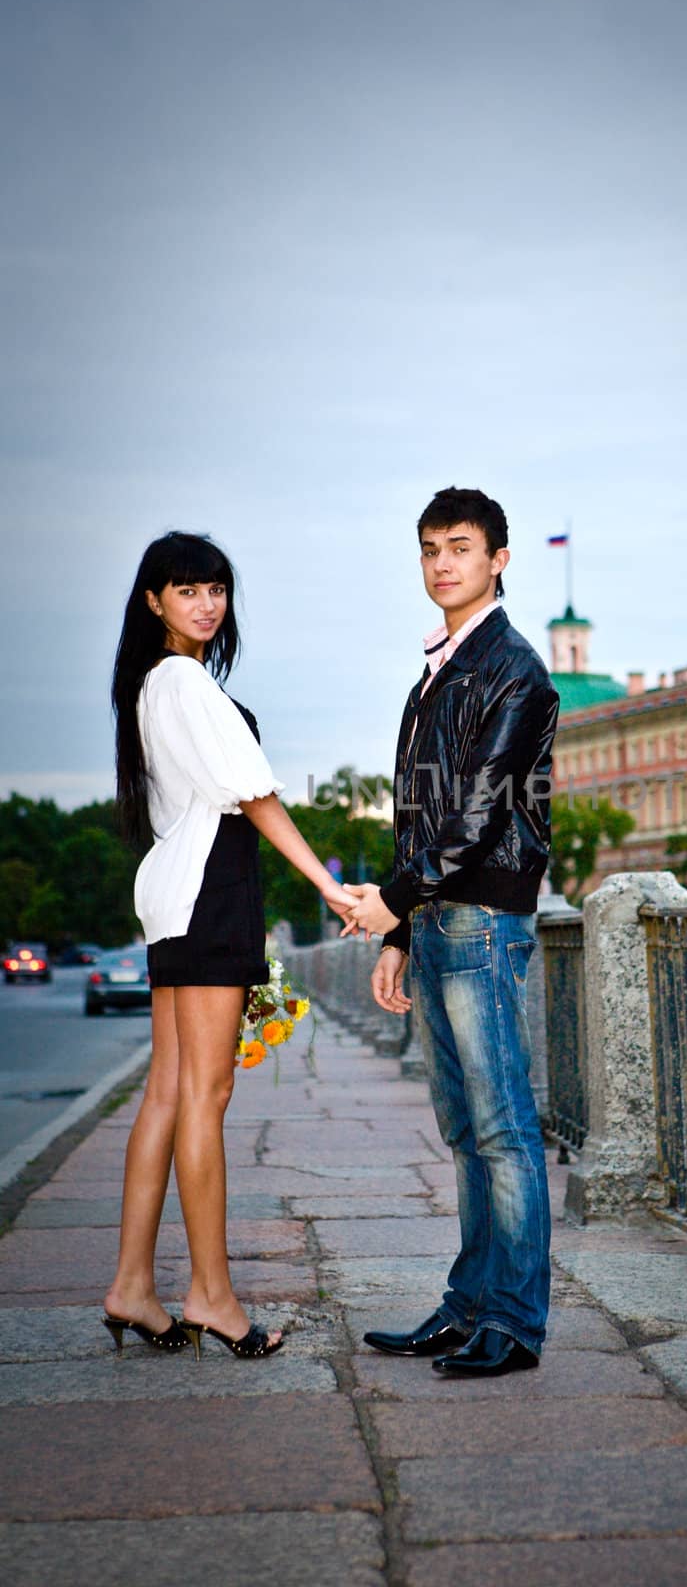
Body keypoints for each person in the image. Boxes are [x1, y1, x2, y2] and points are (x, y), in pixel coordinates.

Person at [104, 532, 355, 1360]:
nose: (206, 604)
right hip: (209, 896)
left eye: (215, 589)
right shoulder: (184, 681)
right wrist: (327, 883)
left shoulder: (147, 685)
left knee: (169, 1094)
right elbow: (258, 800)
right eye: (187, 591)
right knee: (203, 1099)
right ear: (154, 601)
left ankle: (132, 1287)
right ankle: (211, 1295)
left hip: (174, 895)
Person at [345, 488, 559, 1377]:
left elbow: (474, 817)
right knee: (465, 1128)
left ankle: (513, 1323)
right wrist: (400, 931)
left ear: (498, 560)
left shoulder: (514, 669)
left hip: (480, 917)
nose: (441, 563)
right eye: (430, 548)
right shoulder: (437, 669)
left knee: (504, 1127)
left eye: (460, 548)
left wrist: (392, 901)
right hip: (438, 919)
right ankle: (469, 1306)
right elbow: (418, 816)